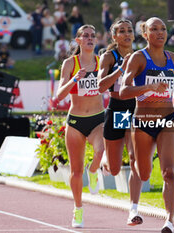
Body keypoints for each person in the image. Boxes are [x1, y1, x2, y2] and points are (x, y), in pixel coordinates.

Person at [119, 17, 174, 233]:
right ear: (145, 34)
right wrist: (148, 87)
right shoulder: (138, 58)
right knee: (143, 172)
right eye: (154, 29)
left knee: (169, 172)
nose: (160, 32)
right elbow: (123, 91)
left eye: (163, 29)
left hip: (167, 120)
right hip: (142, 122)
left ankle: (169, 221)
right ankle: (133, 208)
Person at [56, 24, 104, 228]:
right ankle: (78, 209)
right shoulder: (70, 63)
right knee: (75, 171)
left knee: (100, 151)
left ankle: (93, 171)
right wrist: (75, 79)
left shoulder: (103, 62)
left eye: (93, 35)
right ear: (78, 41)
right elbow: (58, 96)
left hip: (97, 118)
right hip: (75, 122)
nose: (90, 39)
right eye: (85, 36)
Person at [97, 19, 143, 226]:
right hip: (118, 108)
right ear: (114, 36)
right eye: (121, 31)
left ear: (134, 35)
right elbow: (100, 86)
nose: (126, 34)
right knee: (114, 169)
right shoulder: (109, 56)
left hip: (137, 108)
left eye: (129, 31)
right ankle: (106, 157)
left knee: (135, 159)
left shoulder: (142, 56)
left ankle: (133, 210)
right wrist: (121, 70)